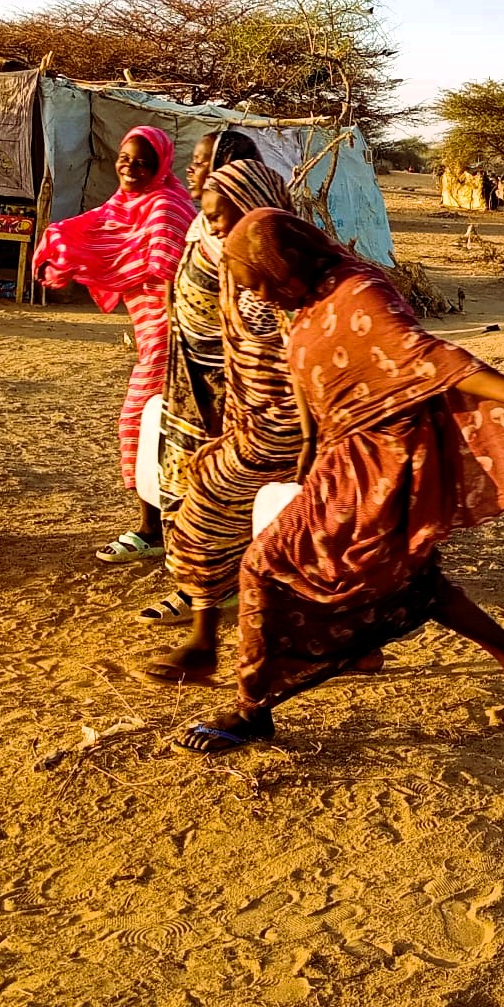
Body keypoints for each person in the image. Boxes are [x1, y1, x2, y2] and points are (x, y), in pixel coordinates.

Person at [172, 208, 504, 754]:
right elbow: (313, 384)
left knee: (265, 566)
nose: (263, 297)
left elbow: (425, 355)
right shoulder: (310, 299)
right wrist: (309, 453)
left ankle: (253, 710)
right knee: (407, 576)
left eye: (264, 282)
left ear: (287, 261)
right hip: (343, 459)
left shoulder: (358, 291)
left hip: (384, 464)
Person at [141, 156, 301, 647]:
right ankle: (209, 621)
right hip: (245, 411)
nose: (208, 226)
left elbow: (305, 353)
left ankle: (206, 631)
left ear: (253, 206)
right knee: (216, 504)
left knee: (212, 505)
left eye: (218, 216)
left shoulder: (290, 270)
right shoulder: (241, 260)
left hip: (285, 422)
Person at [32, 126, 197, 561]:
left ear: (160, 166)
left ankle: (151, 530)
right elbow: (91, 231)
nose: (131, 168)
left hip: (173, 334)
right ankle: (172, 527)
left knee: (139, 423)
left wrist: (179, 343)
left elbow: (170, 272)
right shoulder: (125, 205)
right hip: (153, 336)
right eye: (125, 159)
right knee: (165, 430)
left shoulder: (165, 207)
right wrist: (59, 256)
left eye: (142, 163)